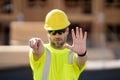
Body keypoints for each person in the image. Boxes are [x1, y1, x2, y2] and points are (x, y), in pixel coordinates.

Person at [29, 9, 87, 80]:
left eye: (60, 31)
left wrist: (82, 54)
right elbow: (38, 53)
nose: (57, 35)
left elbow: (80, 61)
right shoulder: (42, 51)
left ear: (67, 30)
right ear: (47, 32)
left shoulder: (73, 54)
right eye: (53, 32)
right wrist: (35, 46)